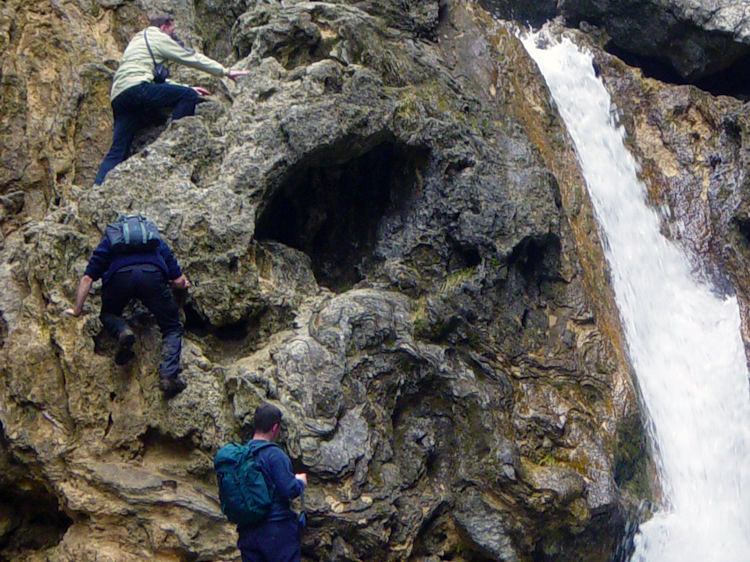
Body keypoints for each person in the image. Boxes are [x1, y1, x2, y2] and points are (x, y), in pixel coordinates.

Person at [94, 14, 250, 185]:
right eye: (172, 31)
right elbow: (190, 57)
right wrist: (225, 72)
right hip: (138, 89)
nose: (173, 35)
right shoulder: (158, 37)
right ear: (164, 26)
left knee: (118, 150)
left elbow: (150, 77)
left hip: (119, 96)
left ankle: (98, 187)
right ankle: (175, 144)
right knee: (188, 96)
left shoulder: (137, 41)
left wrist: (184, 86)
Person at [65, 216, 190, 398]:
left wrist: (76, 309)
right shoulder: (155, 241)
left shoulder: (110, 241)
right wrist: (182, 284)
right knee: (172, 327)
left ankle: (123, 331)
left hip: (119, 279)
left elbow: (87, 278)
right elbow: (178, 280)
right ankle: (168, 376)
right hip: (152, 277)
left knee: (108, 314)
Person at [238, 404, 307, 562]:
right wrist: (300, 482)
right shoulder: (274, 455)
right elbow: (289, 490)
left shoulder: (241, 454)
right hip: (276, 531)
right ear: (275, 427)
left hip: (247, 531)